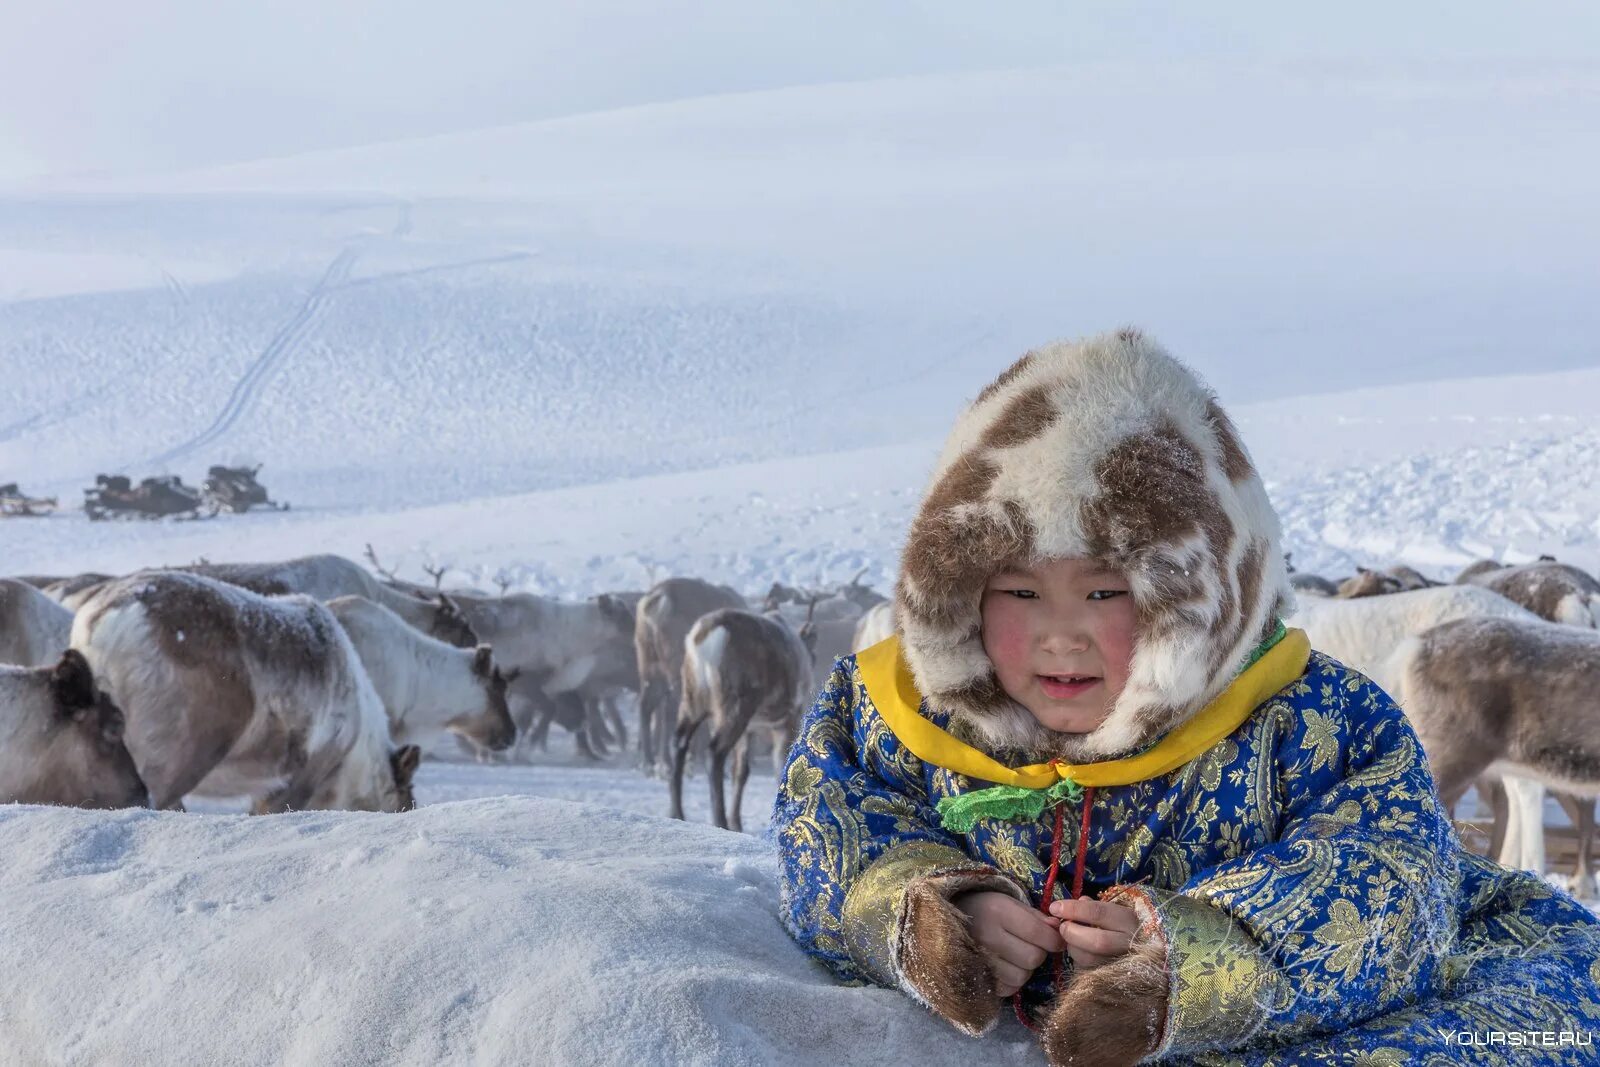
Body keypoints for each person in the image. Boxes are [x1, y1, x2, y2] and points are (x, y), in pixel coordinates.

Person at [771, 329, 1600, 1065]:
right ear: (952, 591)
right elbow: (831, 827)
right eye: (1018, 593)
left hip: (1277, 1007)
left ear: (1201, 595)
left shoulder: (1314, 723)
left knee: (1520, 1023)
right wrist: (939, 913)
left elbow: (1390, 875)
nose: (1062, 636)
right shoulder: (891, 712)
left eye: (1107, 593)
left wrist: (1190, 955)